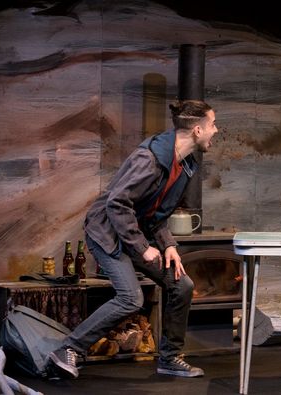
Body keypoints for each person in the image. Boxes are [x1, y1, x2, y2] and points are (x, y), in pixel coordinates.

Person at [47, 99, 219, 379]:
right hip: (107, 231)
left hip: (133, 232)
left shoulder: (184, 163)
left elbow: (157, 215)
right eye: (213, 124)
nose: (216, 130)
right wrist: (143, 248)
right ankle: (68, 349)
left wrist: (169, 246)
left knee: (182, 285)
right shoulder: (149, 159)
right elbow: (117, 204)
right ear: (198, 130)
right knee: (130, 297)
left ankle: (170, 357)